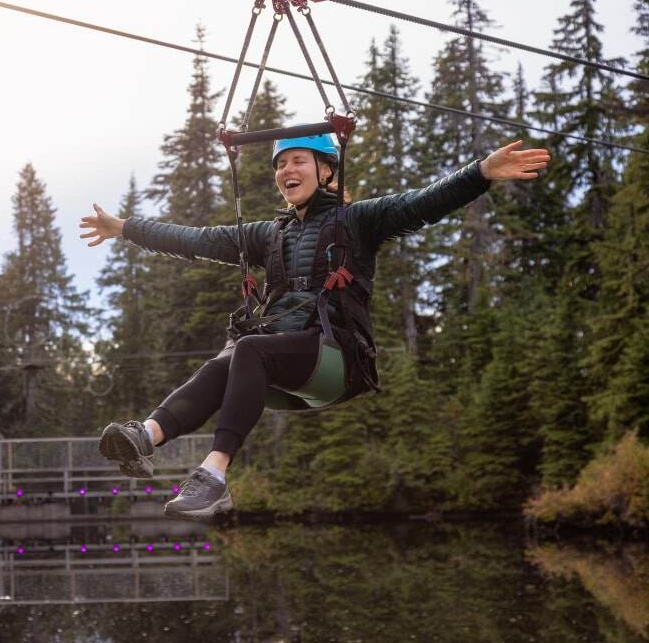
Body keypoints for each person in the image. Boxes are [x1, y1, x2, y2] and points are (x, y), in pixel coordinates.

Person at [79, 135, 550, 521]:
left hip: (336, 360)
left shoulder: (358, 220)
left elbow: (422, 204)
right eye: (280, 164)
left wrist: (480, 174)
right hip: (287, 363)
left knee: (248, 350)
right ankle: (147, 435)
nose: (287, 171)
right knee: (232, 355)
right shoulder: (271, 235)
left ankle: (215, 475)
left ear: (326, 169)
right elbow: (196, 239)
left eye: (298, 160)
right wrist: (125, 227)